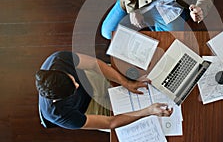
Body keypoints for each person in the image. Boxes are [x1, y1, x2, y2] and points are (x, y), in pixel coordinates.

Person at [35, 51, 172, 130]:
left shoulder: (58, 59)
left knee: (135, 77)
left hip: (89, 80)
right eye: (72, 89)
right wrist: (147, 111)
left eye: (72, 80)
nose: (76, 86)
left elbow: (94, 64)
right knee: (132, 123)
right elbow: (110, 122)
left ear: (60, 71)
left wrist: (126, 83)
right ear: (57, 99)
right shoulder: (58, 114)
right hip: (86, 108)